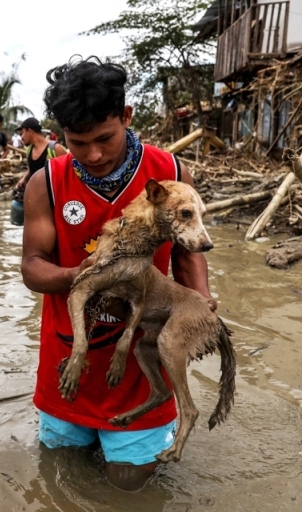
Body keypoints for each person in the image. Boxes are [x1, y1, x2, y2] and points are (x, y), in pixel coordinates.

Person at [20, 57, 215, 491]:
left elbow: (188, 254)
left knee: (129, 483)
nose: (93, 154)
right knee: (63, 473)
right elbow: (32, 268)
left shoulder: (170, 174)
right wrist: (82, 274)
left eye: (105, 138)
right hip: (70, 354)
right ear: (61, 136)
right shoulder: (45, 183)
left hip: (140, 356)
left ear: (126, 117)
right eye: (77, 142)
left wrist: (201, 298)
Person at [15, 117, 67, 190]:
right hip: (36, 194)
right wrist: (24, 178)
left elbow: (70, 173)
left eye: (22, 133)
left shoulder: (55, 148)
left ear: (29, 131)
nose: (21, 137)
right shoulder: (29, 150)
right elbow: (32, 168)